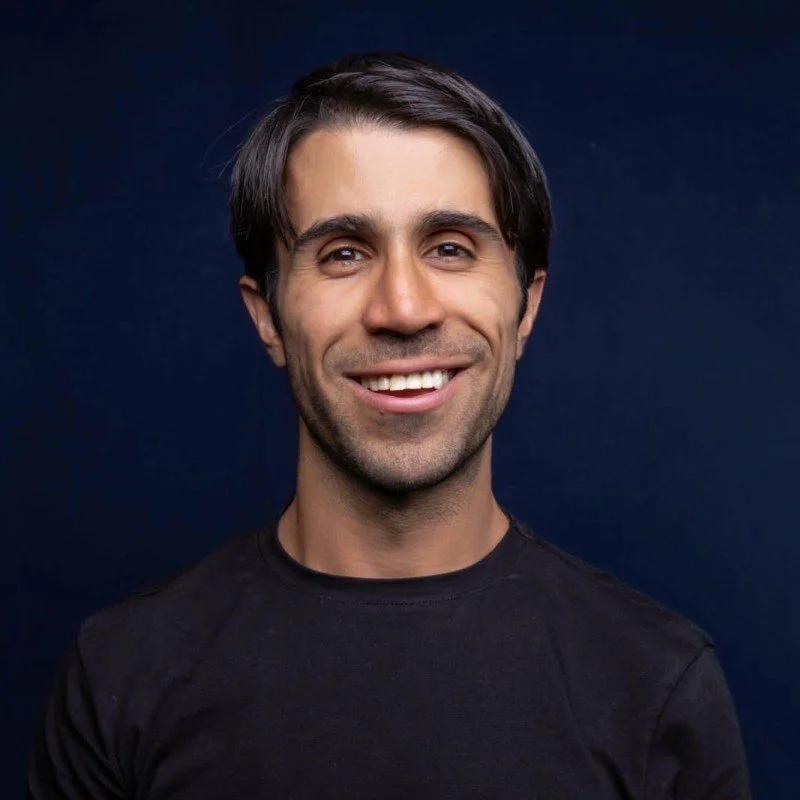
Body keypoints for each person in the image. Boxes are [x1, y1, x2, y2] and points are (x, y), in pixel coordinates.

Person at [27, 51, 752, 799]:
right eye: (343, 254)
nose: (403, 309)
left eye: (449, 248)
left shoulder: (657, 683)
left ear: (526, 305)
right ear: (267, 316)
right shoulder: (122, 676)